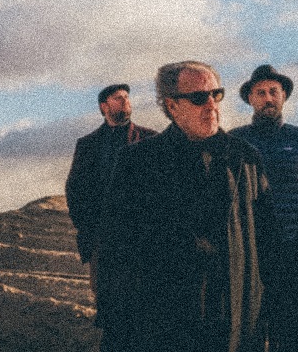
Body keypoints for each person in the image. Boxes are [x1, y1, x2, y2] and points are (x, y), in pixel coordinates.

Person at [97, 61, 277, 352]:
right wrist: (117, 330)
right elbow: (115, 253)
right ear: (172, 106)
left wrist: (268, 320)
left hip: (235, 328)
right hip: (164, 330)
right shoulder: (138, 163)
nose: (211, 104)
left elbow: (268, 246)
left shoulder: (246, 159)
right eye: (198, 97)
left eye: (216, 94)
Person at [229, 65, 298, 352]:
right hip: (247, 254)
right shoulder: (234, 141)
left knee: (294, 337)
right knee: (247, 335)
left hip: (293, 255)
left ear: (284, 96)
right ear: (250, 99)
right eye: (260, 93)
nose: (268, 98)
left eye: (273, 91)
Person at [63, 83, 157, 324]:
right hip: (103, 239)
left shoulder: (150, 139)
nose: (125, 101)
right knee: (107, 302)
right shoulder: (88, 144)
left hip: (142, 237)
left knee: (145, 301)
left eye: (127, 97)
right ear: (104, 106)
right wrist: (89, 228)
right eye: (118, 98)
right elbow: (75, 190)